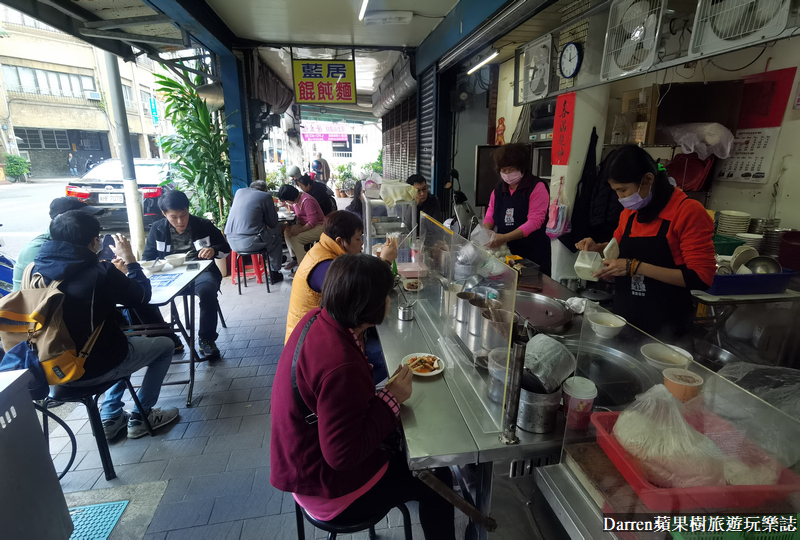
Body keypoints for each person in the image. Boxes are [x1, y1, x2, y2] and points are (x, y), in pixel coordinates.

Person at [271, 254, 456, 540]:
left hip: (302, 465)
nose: (389, 301)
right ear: (367, 307)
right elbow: (342, 456)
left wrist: (379, 393)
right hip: (327, 491)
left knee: (403, 447)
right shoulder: (340, 366)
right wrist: (391, 399)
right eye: (385, 296)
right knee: (438, 478)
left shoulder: (317, 319)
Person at [32, 210, 178, 439]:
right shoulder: (101, 272)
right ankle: (142, 416)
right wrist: (130, 261)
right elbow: (141, 297)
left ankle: (111, 416)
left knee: (125, 344)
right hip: (89, 368)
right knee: (164, 346)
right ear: (94, 241)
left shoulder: (35, 269)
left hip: (49, 369)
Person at [576, 145, 716, 339]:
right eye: (616, 191)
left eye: (623, 190)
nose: (620, 198)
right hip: (624, 319)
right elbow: (615, 249)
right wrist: (597, 249)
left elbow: (701, 278)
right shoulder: (630, 213)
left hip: (667, 328)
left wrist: (635, 267)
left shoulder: (688, 212)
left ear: (648, 180)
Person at [139, 190, 230, 359]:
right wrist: (159, 265)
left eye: (184, 215)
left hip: (200, 271)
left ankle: (206, 339)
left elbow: (225, 248)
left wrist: (213, 250)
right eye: (173, 217)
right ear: (164, 214)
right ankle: (169, 338)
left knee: (207, 291)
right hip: (169, 274)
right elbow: (148, 258)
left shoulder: (203, 225)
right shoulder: (158, 229)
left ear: (188, 210)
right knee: (143, 294)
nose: (180, 221)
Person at [284, 211, 397, 343]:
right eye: (357, 238)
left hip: (312, 334)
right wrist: (385, 262)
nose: (361, 243)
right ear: (340, 241)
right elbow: (362, 295)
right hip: (309, 342)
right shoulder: (325, 265)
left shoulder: (324, 249)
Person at [482, 143, 551, 276]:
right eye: (503, 170)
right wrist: (487, 233)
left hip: (532, 254)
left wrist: (505, 238)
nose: (507, 174)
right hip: (505, 254)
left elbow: (535, 221)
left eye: (511, 169)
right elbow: (490, 214)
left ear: (521, 168)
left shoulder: (536, 187)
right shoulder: (498, 190)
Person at [12, 197, 104, 292]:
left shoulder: (72, 242)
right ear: (63, 219)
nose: (91, 221)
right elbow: (72, 283)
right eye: (84, 218)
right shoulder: (39, 249)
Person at [224, 180, 284, 284]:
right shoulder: (265, 196)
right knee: (276, 235)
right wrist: (273, 211)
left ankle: (273, 260)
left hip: (230, 241)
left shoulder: (239, 192)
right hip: (250, 242)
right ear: (264, 190)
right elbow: (273, 223)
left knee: (266, 236)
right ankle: (274, 272)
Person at [277, 184, 324, 269]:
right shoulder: (296, 200)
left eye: (287, 201)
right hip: (306, 224)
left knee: (296, 239)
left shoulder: (307, 201)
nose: (287, 202)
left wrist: (301, 229)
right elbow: (294, 207)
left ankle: (304, 268)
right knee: (287, 231)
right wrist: (285, 205)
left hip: (319, 226)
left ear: (292, 198)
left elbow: (313, 221)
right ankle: (295, 258)